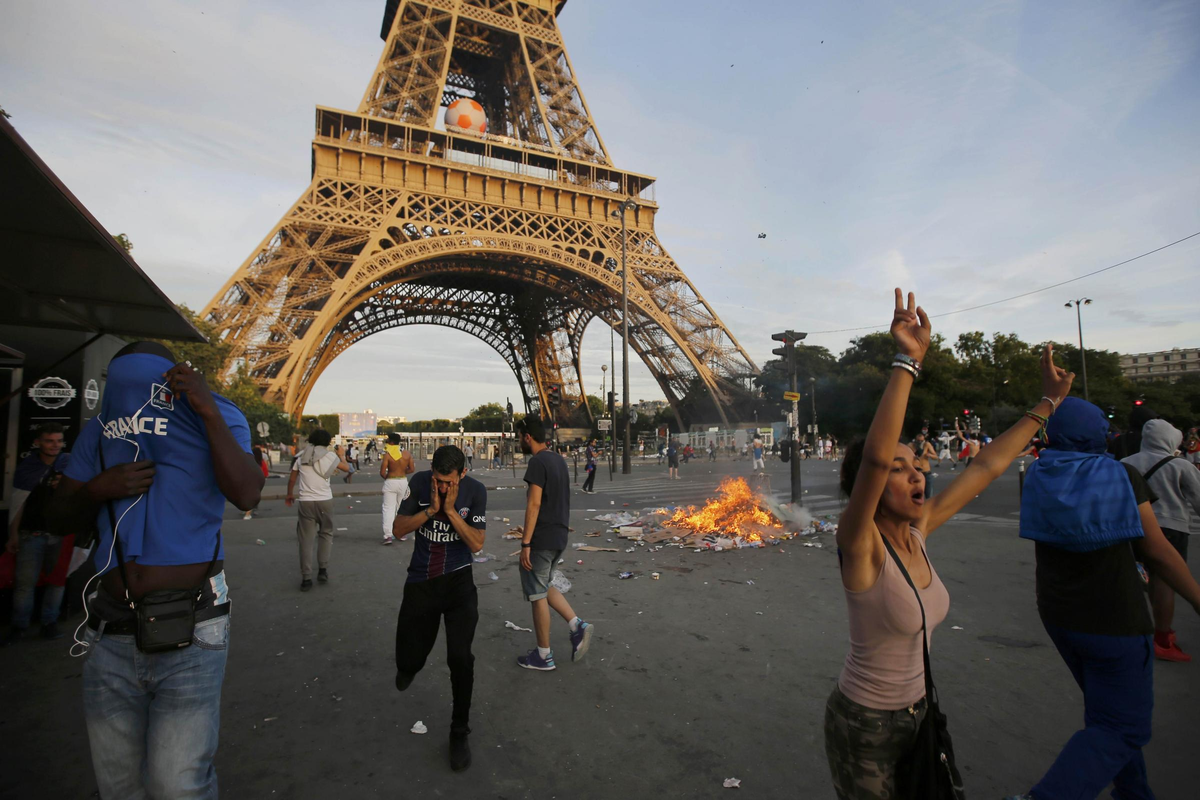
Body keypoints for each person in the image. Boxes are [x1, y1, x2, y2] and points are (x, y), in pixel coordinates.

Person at [825, 289, 1074, 799]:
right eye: (899, 470)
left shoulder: (919, 530)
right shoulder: (861, 544)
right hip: (864, 724)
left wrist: (1048, 404)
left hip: (920, 714)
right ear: (870, 489)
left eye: (917, 465)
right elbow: (872, 461)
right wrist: (906, 363)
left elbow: (986, 466)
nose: (917, 475)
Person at [55, 342, 263, 798]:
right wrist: (96, 490)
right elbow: (59, 520)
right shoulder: (100, 432)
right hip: (111, 627)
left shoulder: (219, 416)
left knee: (177, 785)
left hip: (193, 623)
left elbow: (248, 494)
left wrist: (206, 409)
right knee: (118, 784)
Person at [1006, 398, 1200, 800]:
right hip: (1115, 619)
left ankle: (1134, 793)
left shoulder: (1039, 473)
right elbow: (1158, 551)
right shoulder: (1119, 476)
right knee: (1123, 727)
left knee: (1106, 716)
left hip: (1059, 615)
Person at [390, 445, 487, 772]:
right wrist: (432, 510)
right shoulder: (419, 484)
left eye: (448, 482)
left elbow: (476, 543)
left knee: (460, 658)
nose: (442, 487)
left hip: (459, 583)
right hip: (421, 580)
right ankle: (410, 663)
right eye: (438, 480)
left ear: (462, 474)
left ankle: (459, 730)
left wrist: (450, 510)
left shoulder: (475, 492)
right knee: (408, 658)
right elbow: (398, 529)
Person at [516, 418, 593, 671]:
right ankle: (576, 625)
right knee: (544, 584)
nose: (518, 441)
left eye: (519, 436)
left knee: (537, 595)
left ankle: (544, 656)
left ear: (527, 437)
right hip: (559, 535)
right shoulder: (558, 459)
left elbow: (534, 504)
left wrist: (526, 542)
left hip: (542, 538)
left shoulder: (537, 462)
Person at [1121, 418, 1200, 661]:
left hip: (1133, 528)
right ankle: (1162, 639)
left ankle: (1142, 630)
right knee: (1165, 582)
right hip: (1170, 528)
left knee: (1138, 578)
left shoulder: (1124, 463)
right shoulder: (1180, 465)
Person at [4, 423, 71, 644]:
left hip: (60, 534)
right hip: (31, 534)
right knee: (25, 584)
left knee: (57, 582)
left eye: (58, 441)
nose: (55, 445)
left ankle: (49, 623)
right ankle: (19, 626)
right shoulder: (27, 468)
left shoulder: (70, 465)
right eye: (50, 440)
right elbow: (18, 504)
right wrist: (13, 534)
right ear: (38, 442)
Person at [286, 429, 349, 591]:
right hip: (325, 500)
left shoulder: (301, 456)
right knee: (326, 533)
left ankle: (306, 578)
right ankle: (322, 569)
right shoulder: (329, 456)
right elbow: (347, 468)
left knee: (306, 540)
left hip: (306, 501)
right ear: (328, 441)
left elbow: (292, 478)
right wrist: (341, 454)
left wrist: (289, 495)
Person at [380, 433, 417, 545]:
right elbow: (412, 469)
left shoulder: (388, 455)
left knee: (388, 508)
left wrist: (390, 477)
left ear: (391, 442)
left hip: (391, 481)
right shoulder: (406, 454)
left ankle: (388, 536)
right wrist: (401, 472)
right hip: (403, 482)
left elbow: (382, 472)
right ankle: (401, 533)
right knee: (401, 509)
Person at [242, 444, 271, 520]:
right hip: (258, 482)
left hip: (248, 480)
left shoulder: (249, 460)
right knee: (255, 496)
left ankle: (247, 511)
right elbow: (265, 472)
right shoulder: (261, 462)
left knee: (247, 495)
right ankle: (251, 511)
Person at [909, 432, 940, 498]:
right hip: (916, 473)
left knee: (929, 495)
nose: (920, 442)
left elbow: (936, 456)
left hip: (926, 473)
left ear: (924, 440)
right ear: (915, 440)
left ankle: (927, 507)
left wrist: (930, 455)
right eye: (918, 441)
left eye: (921, 441)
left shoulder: (927, 445)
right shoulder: (911, 445)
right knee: (917, 496)